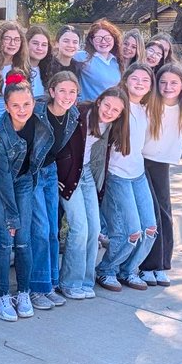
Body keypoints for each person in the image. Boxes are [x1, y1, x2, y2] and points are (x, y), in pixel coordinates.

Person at [0, 76, 50, 321]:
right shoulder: (1, 134)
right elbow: (1, 180)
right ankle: (2, 295)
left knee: (23, 240)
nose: (22, 110)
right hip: (0, 185)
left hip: (23, 181)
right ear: (7, 107)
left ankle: (23, 292)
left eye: (27, 104)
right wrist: (12, 217)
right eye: (16, 106)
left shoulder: (40, 117)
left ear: (34, 102)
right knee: (4, 239)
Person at [55, 87, 129, 299]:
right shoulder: (80, 114)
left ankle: (85, 281)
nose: (109, 111)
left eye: (115, 110)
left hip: (86, 173)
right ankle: (69, 282)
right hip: (70, 174)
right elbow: (60, 143)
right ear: (99, 101)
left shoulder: (113, 125)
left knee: (94, 228)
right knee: (79, 228)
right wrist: (60, 175)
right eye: (107, 105)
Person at [95, 63, 156, 292]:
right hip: (117, 175)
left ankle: (128, 270)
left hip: (138, 174)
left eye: (145, 80)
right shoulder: (118, 106)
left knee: (149, 229)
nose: (140, 83)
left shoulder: (146, 109)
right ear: (126, 79)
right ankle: (106, 269)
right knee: (130, 232)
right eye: (135, 79)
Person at [139, 64, 182, 287]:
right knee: (152, 213)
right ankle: (147, 266)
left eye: (173, 83)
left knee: (165, 213)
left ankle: (162, 265)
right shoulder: (149, 105)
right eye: (163, 82)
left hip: (162, 164)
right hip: (142, 161)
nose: (167, 87)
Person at [28, 71, 80, 309]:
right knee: (40, 230)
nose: (67, 96)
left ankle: (49, 283)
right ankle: (35, 288)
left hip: (51, 173)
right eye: (62, 90)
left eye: (72, 91)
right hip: (33, 173)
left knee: (52, 230)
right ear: (51, 91)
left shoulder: (73, 114)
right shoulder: (36, 110)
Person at [0, 21, 32, 121]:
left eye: (17, 40)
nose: (12, 43)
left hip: (17, 122)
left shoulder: (22, 67)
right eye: (7, 39)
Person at [75, 20, 123, 100]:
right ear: (91, 40)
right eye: (98, 39)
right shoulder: (84, 57)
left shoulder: (116, 61)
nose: (103, 42)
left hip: (109, 109)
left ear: (114, 39)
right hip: (89, 108)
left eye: (108, 38)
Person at [27, 25, 53, 99]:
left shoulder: (46, 71)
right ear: (26, 44)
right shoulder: (16, 69)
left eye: (44, 45)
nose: (39, 48)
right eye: (35, 43)